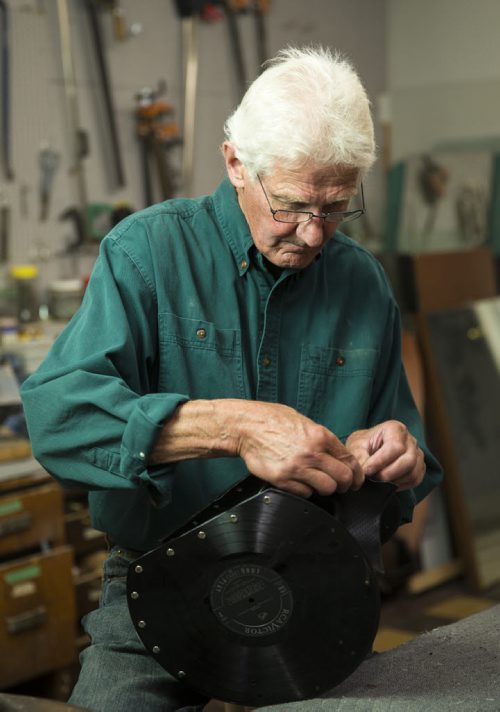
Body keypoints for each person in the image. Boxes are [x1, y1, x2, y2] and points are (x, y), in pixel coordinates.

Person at [21, 46, 442, 712]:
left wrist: (398, 454)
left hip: (317, 581)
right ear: (236, 164)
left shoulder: (361, 280)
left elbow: (410, 456)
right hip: (162, 581)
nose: (312, 235)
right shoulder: (147, 253)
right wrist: (233, 426)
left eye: (335, 209)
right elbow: (57, 419)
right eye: (293, 206)